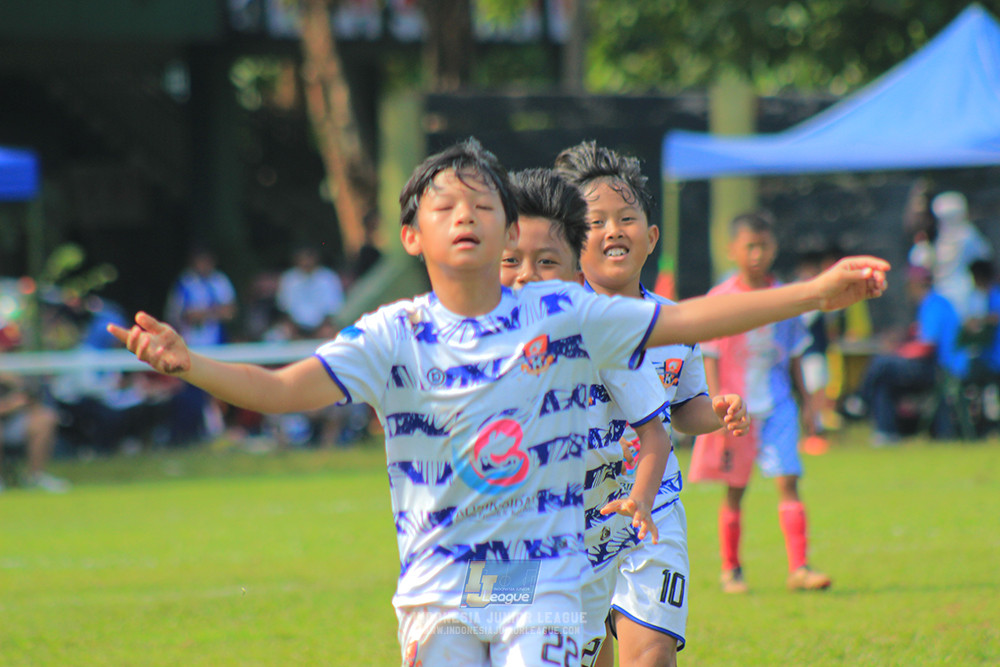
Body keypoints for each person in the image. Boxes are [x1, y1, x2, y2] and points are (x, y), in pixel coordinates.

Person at [109, 138, 888, 667]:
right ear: (412, 236)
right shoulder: (392, 333)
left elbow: (690, 318)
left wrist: (816, 292)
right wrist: (191, 365)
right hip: (440, 591)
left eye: (482, 202)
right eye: (445, 205)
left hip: (544, 584)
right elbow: (283, 389)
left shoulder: (563, 314)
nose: (467, 214)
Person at [555, 140, 749, 667]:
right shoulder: (559, 324)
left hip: (654, 511)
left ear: (652, 237)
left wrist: (719, 410)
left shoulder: (676, 325)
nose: (614, 230)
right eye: (596, 222)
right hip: (576, 518)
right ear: (574, 241)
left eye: (627, 218)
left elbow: (686, 407)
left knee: (652, 656)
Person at [499, 166, 678, 665]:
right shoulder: (470, 343)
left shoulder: (598, 336)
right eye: (510, 260)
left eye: (546, 261)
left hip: (588, 553)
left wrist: (640, 500)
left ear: (576, 269)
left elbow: (656, 436)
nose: (525, 275)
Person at [689, 211, 832, 595]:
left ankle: (799, 567)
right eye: (750, 246)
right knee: (735, 488)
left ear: (774, 248)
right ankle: (731, 569)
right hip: (738, 411)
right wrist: (717, 409)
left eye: (764, 245)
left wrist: (807, 405)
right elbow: (711, 356)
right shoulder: (720, 299)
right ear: (732, 249)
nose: (757, 253)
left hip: (779, 404)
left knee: (789, 480)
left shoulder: (782, 295)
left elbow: (797, 353)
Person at [847, 265, 975, 444]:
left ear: (916, 284)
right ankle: (886, 433)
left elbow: (926, 347)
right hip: (940, 367)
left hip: (941, 369)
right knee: (883, 380)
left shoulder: (932, 304)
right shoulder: (938, 303)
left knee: (881, 363)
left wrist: (898, 352)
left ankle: (860, 400)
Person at [164, 246, 237, 445]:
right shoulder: (186, 283)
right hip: (193, 346)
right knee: (193, 392)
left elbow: (229, 311)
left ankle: (215, 432)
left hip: (216, 345)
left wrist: (203, 314)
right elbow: (184, 315)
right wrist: (212, 312)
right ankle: (190, 434)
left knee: (218, 392)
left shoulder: (219, 281)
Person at [0, 373, 68, 493]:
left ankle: (35, 476)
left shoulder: (19, 367)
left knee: (45, 418)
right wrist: (8, 406)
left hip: (15, 420)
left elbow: (33, 399)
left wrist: (16, 382)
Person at [930, 190, 992, 321]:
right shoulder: (941, 238)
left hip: (965, 291)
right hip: (942, 291)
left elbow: (984, 258)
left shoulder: (968, 235)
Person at [276, 244, 344, 340]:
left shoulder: (328, 278)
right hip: (295, 328)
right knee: (280, 334)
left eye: (309, 258)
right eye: (303, 258)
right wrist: (294, 329)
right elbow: (284, 309)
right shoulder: (288, 279)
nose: (306, 262)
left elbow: (332, 310)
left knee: (330, 333)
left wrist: (321, 329)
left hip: (322, 327)